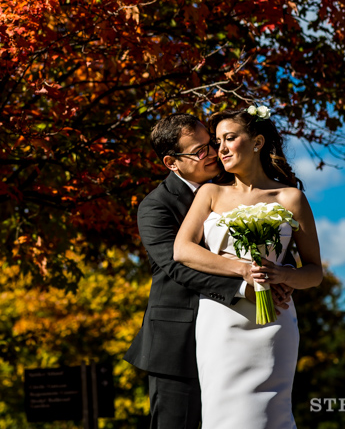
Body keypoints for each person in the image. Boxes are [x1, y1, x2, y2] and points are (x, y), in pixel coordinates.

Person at [124, 113, 292, 429]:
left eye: (211, 143)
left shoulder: (233, 188)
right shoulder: (155, 206)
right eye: (200, 151)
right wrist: (246, 284)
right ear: (172, 162)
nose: (214, 153)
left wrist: (281, 276)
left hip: (239, 336)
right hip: (179, 341)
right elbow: (177, 267)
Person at [173, 107, 323, 429]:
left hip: (274, 324)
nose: (221, 149)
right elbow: (182, 249)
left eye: (229, 138)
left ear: (257, 142)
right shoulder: (210, 193)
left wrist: (284, 275)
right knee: (221, 414)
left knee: (272, 415)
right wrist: (241, 269)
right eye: (217, 141)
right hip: (221, 320)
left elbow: (314, 272)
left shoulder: (290, 197)